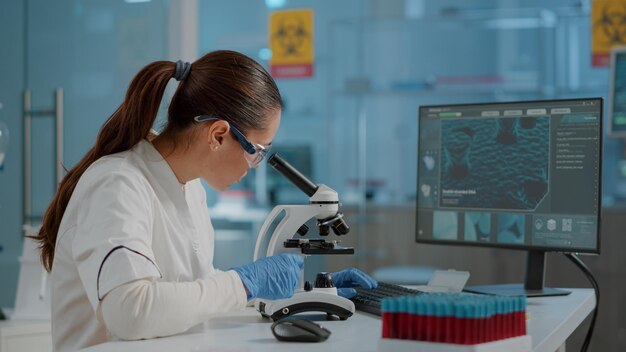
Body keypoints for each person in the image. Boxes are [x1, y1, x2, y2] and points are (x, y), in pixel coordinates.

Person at [30, 50, 377, 351]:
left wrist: (303, 298)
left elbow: (192, 299)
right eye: (256, 151)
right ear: (218, 134)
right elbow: (130, 312)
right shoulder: (117, 183)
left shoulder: (189, 187)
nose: (255, 165)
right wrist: (244, 282)